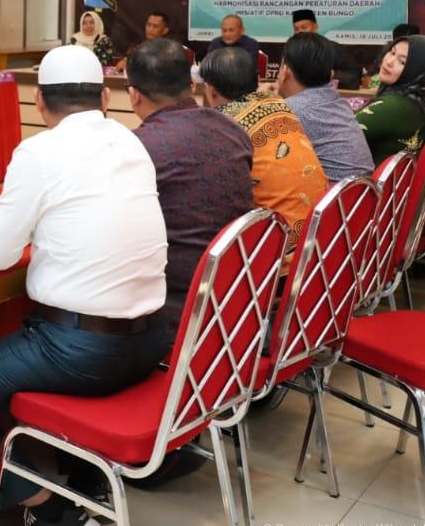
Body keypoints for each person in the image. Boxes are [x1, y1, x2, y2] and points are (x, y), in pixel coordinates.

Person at [0, 46, 171, 526]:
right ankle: (83, 477)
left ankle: (53, 515)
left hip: (82, 353)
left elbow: (1, 254)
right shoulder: (131, 142)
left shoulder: (38, 151)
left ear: (40, 107)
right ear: (107, 98)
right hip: (151, 342)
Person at [126, 39, 253, 327]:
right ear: (193, 85)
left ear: (134, 96)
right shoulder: (234, 130)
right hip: (235, 299)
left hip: (172, 312)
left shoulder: (137, 148)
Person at [199, 47, 327, 252]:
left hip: (276, 257)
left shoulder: (223, 126)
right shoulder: (277, 102)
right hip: (320, 241)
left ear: (210, 90)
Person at [279, 32, 375, 182]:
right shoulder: (339, 103)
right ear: (331, 75)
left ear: (285, 72)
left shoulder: (290, 111)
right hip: (361, 198)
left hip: (329, 202)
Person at [355, 35, 425, 160]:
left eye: (402, 61)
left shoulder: (393, 107)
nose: (389, 62)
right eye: (392, 52)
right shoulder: (420, 102)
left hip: (367, 177)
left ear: (418, 71)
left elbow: (336, 137)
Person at [290, 8, 361, 88]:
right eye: (296, 29)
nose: (300, 32)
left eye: (304, 28)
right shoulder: (292, 52)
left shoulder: (332, 49)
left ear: (315, 28)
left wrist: (330, 74)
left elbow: (354, 77)